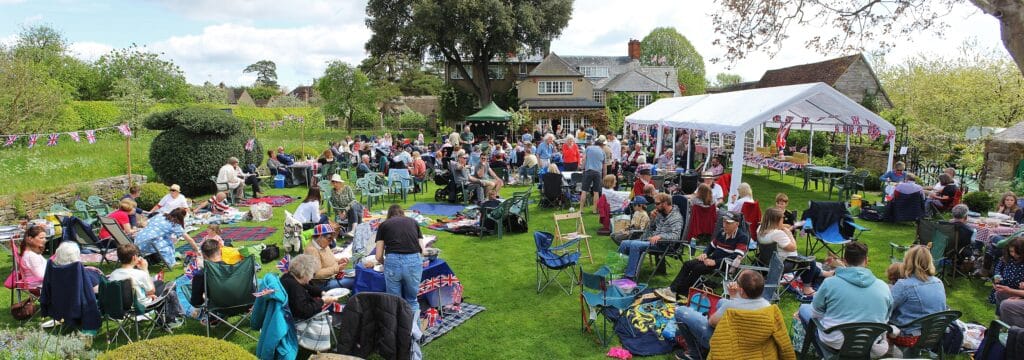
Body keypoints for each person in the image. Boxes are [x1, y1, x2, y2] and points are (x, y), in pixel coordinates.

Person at [798, 242, 892, 358]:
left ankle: (828, 356)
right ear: (866, 261)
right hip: (870, 341)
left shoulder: (830, 283)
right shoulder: (883, 287)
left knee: (804, 309)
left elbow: (814, 313)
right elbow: (886, 317)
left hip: (836, 341)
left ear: (844, 261)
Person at [673, 270, 771, 359]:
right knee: (721, 302)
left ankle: (694, 354)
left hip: (728, 347)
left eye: (738, 281)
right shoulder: (768, 306)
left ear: (741, 290)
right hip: (749, 344)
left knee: (680, 311)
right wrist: (734, 297)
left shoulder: (732, 306)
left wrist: (733, 299)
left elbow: (711, 323)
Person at [662, 212, 750, 299]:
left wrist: (715, 262)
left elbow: (736, 256)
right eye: (724, 221)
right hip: (712, 259)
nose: (725, 225)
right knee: (687, 264)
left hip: (726, 264)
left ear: (737, 224)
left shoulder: (742, 237)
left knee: (697, 268)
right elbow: (711, 246)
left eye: (728, 223)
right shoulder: (722, 232)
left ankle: (680, 291)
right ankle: (673, 289)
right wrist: (705, 253)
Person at [758, 208, 828, 296]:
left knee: (804, 258)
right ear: (776, 220)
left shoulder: (760, 229)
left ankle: (822, 273)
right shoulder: (777, 234)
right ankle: (806, 288)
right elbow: (794, 247)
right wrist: (790, 234)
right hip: (782, 263)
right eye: (782, 219)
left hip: (767, 261)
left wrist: (782, 228)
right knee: (810, 262)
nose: (783, 221)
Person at [617, 193, 683, 280]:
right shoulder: (660, 213)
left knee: (635, 245)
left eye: (657, 204)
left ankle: (629, 276)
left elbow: (676, 236)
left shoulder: (676, 217)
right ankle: (617, 270)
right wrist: (652, 219)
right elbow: (650, 229)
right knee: (624, 243)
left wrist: (660, 236)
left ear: (665, 203)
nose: (655, 206)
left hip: (664, 244)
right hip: (651, 240)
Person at [890, 245, 947, 344]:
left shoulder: (904, 285)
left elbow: (885, 308)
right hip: (933, 335)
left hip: (909, 335)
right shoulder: (938, 282)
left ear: (907, 261)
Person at [375, 205, 424, 317]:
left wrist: (384, 263)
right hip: (413, 260)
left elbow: (378, 256)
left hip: (392, 261)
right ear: (403, 213)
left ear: (389, 215)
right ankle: (415, 332)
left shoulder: (384, 225)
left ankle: (397, 332)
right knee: (412, 300)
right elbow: (422, 250)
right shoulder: (413, 222)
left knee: (394, 302)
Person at [281, 254, 343, 322]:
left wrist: (321, 293)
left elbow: (308, 287)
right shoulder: (294, 288)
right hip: (300, 319)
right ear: (305, 273)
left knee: (333, 304)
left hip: (300, 311)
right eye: (313, 274)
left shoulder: (290, 277)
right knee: (334, 306)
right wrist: (322, 301)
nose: (312, 277)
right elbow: (304, 311)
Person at [134, 208, 199, 267]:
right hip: (147, 243)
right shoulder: (175, 225)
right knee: (168, 244)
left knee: (168, 240)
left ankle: (171, 260)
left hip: (138, 238)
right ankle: (170, 263)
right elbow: (189, 239)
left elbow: (145, 224)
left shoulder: (160, 215)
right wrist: (196, 249)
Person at [304, 224, 352, 291]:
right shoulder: (312, 250)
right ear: (320, 236)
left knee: (357, 273)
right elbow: (317, 274)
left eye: (332, 238)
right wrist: (336, 268)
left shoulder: (322, 243)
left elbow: (329, 258)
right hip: (323, 284)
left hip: (333, 276)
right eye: (329, 238)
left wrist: (338, 261)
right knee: (355, 279)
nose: (331, 242)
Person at [993, 237, 1024, 327]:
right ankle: (1001, 323)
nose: (1013, 254)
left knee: (1006, 305)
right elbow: (999, 269)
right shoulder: (1007, 259)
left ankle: (1016, 332)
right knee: (1000, 293)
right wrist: (997, 279)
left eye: (1016, 252)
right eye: (1011, 251)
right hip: (1014, 289)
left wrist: (1012, 292)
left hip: (1015, 288)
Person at [188, 237, 223, 308]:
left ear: (204, 256)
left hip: (217, 307)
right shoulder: (235, 267)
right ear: (221, 252)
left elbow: (196, 302)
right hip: (242, 304)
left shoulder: (201, 275)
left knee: (186, 289)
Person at [581, 138, 606, 213]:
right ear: (601, 145)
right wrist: (604, 176)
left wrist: (582, 168)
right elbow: (604, 166)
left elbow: (584, 159)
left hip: (588, 171)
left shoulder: (588, 148)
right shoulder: (602, 151)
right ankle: (594, 210)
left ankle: (581, 210)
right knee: (596, 192)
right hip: (598, 173)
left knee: (584, 190)